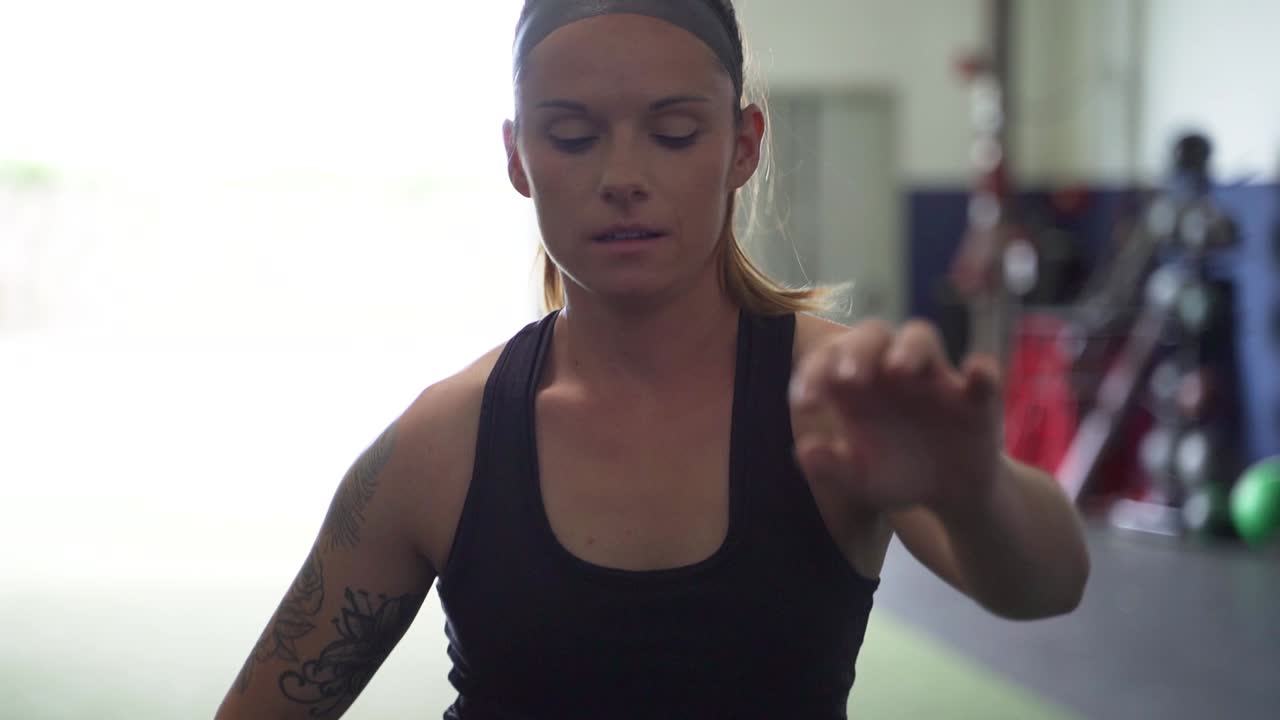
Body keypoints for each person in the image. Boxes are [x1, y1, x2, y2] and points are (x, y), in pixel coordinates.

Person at [215, 1, 1090, 718]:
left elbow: (1049, 585)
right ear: (518, 156)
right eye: (572, 135)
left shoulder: (834, 401)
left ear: (743, 146)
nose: (623, 174)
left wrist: (971, 491)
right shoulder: (446, 441)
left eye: (673, 132)